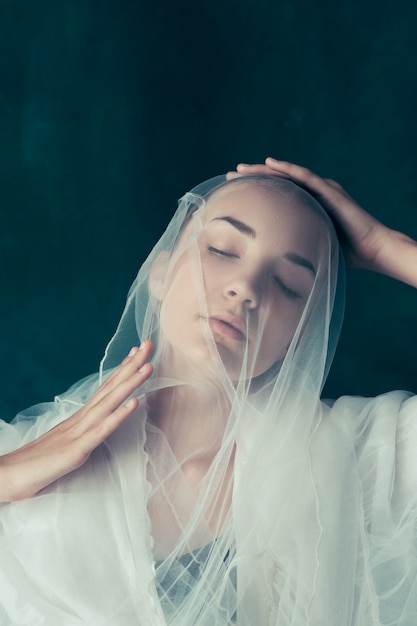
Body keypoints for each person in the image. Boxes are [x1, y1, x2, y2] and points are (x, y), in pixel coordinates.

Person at [0, 158, 416, 625]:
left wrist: (387, 248)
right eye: (221, 249)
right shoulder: (29, 460)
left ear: (302, 337)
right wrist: (6, 475)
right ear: (159, 272)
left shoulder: (358, 456)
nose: (245, 288)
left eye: (288, 284)